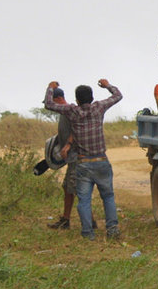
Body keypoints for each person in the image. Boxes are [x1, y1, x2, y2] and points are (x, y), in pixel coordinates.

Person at [44, 79, 123, 240]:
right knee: (108, 197)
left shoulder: (72, 111)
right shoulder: (99, 107)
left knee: (84, 200)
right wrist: (107, 85)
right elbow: (118, 95)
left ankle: (88, 233)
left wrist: (50, 88)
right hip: (101, 160)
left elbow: (48, 105)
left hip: (83, 163)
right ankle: (112, 230)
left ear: (77, 100)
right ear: (92, 98)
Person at [46, 87, 97, 231]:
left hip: (77, 158)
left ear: (58, 99)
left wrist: (68, 145)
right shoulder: (65, 113)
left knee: (79, 190)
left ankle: (90, 222)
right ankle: (66, 219)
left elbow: (78, 129)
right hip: (72, 159)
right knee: (69, 188)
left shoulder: (69, 111)